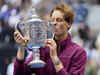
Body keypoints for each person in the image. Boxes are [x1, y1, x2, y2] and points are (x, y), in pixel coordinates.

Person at [14, 3, 87, 75]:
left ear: (69, 23)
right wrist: (21, 47)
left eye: (59, 20)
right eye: (52, 20)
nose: (54, 23)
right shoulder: (43, 48)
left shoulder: (78, 53)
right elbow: (19, 73)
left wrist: (54, 58)